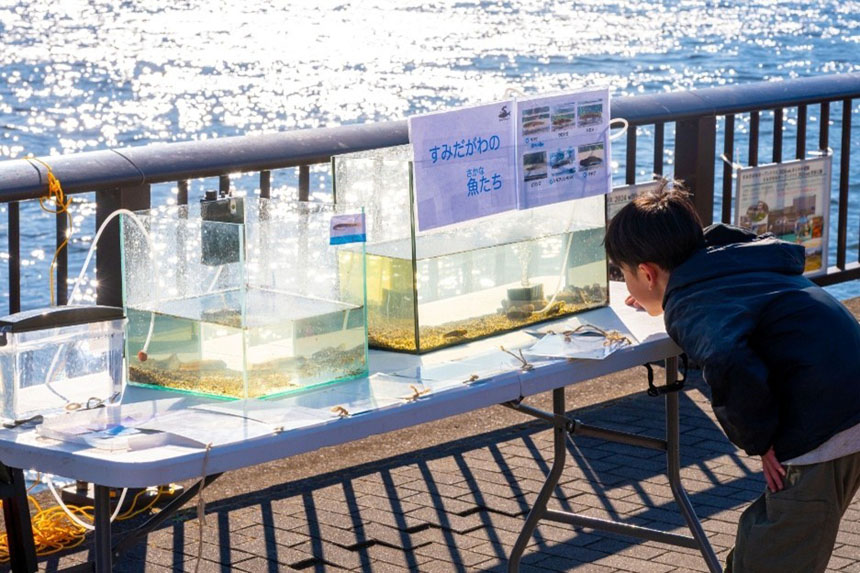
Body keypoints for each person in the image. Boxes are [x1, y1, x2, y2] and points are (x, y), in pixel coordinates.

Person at [603, 179, 860, 573]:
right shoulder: (726, 262)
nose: (628, 286)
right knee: (769, 537)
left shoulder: (691, 303)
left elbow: (728, 360)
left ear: (647, 274)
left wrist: (760, 442)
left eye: (626, 275)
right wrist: (660, 297)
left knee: (775, 553)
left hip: (826, 421)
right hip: (842, 390)